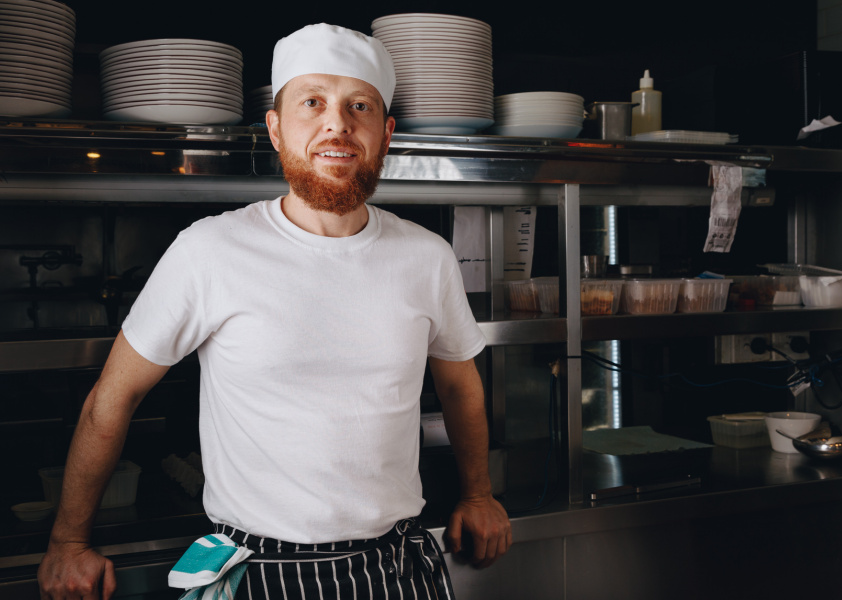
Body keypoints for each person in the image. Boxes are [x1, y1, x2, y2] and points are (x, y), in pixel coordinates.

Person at [37, 22, 511, 600]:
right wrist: (68, 541)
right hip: (259, 569)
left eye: (359, 106)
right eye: (312, 102)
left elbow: (460, 385)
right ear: (276, 129)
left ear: (385, 134)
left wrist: (479, 494)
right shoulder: (210, 249)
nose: (337, 124)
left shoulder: (426, 256)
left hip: (394, 565)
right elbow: (114, 397)